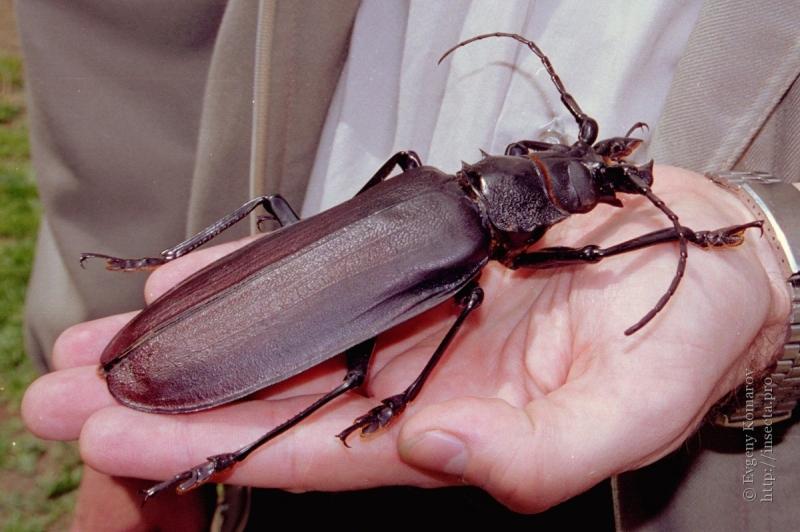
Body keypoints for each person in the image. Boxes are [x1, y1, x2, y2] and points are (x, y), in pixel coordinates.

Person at [17, 1, 800, 530]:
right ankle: (231, 441)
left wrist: (766, 257)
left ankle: (224, 415)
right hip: (277, 356)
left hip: (602, 478)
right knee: (352, 378)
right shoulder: (468, 257)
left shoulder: (431, 185)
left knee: (332, 303)